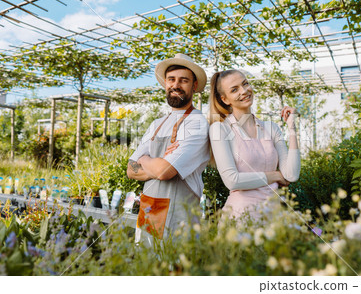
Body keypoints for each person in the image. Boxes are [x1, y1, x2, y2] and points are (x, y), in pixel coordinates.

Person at [127, 53, 210, 245]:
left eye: (184, 80)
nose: (176, 85)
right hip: (149, 210)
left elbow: (164, 171)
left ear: (194, 86)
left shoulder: (196, 123)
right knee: (146, 266)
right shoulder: (156, 123)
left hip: (179, 213)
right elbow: (131, 169)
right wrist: (156, 164)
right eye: (171, 79)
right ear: (165, 83)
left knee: (174, 269)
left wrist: (145, 160)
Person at [209, 69, 301, 221]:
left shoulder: (271, 128)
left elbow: (291, 175)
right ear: (225, 99)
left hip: (273, 217)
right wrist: (275, 175)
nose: (244, 91)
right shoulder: (220, 129)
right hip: (240, 218)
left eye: (245, 84)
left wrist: (292, 128)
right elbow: (232, 181)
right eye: (235, 89)